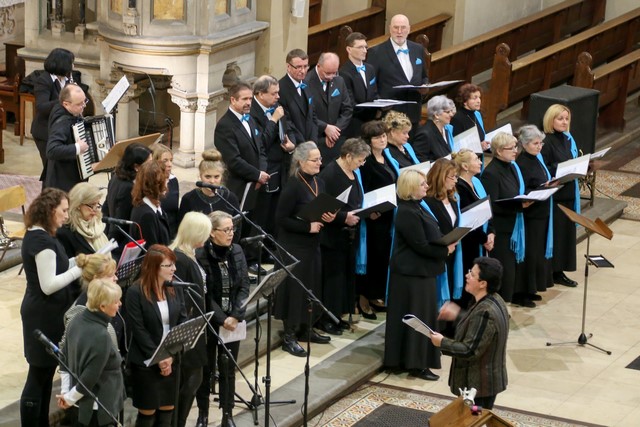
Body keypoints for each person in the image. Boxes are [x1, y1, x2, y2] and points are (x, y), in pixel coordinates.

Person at [383, 170, 455, 381]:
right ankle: (415, 363)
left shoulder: (417, 207)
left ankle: (413, 360)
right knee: (418, 318)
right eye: (422, 184)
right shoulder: (406, 212)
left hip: (419, 273)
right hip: (411, 275)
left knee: (421, 316)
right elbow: (420, 245)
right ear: (411, 187)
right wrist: (445, 250)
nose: (427, 186)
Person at [20, 188, 83, 427]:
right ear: (50, 210)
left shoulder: (44, 236)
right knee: (38, 375)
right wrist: (79, 270)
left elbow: (59, 267)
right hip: (42, 315)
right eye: (63, 211)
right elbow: (48, 285)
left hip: (49, 312)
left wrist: (79, 261)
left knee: (46, 374)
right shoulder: (42, 241)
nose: (67, 216)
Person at [274, 142, 335, 356]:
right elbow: (280, 219)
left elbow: (320, 208)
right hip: (293, 246)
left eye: (320, 159)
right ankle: (289, 335)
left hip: (312, 245)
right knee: (295, 290)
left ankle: (306, 328)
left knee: (311, 287)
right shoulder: (293, 185)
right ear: (300, 162)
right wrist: (307, 227)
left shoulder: (320, 182)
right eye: (314, 159)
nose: (319, 163)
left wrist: (329, 216)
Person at [431, 257, 509, 410]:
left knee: (473, 419)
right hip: (484, 382)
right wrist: (458, 315)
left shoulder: (485, 311)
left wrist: (442, 342)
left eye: (472, 274)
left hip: (479, 386)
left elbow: (470, 350)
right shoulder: (495, 300)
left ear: (483, 283)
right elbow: (481, 330)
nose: (467, 276)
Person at [195, 211, 251, 427]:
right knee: (206, 368)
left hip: (233, 321)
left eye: (232, 229)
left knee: (228, 369)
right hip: (210, 320)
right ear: (212, 232)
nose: (231, 233)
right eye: (226, 230)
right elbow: (205, 294)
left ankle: (227, 414)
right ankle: (203, 414)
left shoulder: (237, 250)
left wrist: (235, 315)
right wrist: (221, 318)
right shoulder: (201, 255)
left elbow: (244, 285)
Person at [125, 244, 187, 427]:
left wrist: (170, 355)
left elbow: (182, 319)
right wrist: (159, 358)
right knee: (148, 415)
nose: (174, 269)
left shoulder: (174, 287)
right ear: (153, 267)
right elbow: (138, 330)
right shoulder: (135, 292)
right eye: (168, 265)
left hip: (171, 358)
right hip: (147, 362)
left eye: (173, 264)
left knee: (167, 412)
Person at [215, 81, 269, 274]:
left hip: (256, 182)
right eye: (244, 99)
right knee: (238, 226)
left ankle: (251, 258)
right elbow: (233, 160)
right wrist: (257, 174)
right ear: (233, 100)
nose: (248, 102)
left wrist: (261, 172)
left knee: (253, 223)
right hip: (238, 186)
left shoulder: (250, 119)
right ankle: (236, 263)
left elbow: (261, 149)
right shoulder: (224, 126)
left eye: (250, 98)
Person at [317, 138, 370, 334]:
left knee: (343, 278)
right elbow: (322, 208)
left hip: (347, 236)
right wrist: (343, 217)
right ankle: (326, 318)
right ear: (348, 156)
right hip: (332, 237)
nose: (362, 164)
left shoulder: (352, 172)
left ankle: (337, 315)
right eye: (360, 160)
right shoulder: (330, 174)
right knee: (332, 281)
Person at [56, 279, 125, 427]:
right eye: (116, 301)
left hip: (80, 403)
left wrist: (66, 392)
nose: (120, 304)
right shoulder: (101, 335)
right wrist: (69, 398)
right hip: (100, 408)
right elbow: (90, 376)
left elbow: (64, 358)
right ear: (102, 306)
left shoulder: (76, 319)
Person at [169, 212, 214, 427]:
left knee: (194, 380)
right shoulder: (180, 259)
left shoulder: (190, 255)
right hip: (189, 330)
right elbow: (181, 298)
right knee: (190, 381)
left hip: (197, 327)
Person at [480, 132, 531, 307]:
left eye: (516, 147)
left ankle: (507, 302)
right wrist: (519, 206)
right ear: (500, 151)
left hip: (514, 224)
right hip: (501, 229)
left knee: (511, 269)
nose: (516, 151)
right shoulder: (491, 173)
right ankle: (498, 307)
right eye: (511, 148)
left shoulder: (512, 167)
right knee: (503, 270)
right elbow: (492, 206)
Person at [250, 75, 296, 241]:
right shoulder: (252, 112)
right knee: (263, 213)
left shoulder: (277, 106)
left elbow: (289, 128)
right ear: (261, 94)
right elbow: (261, 143)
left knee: (276, 211)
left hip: (281, 167)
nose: (278, 96)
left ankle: (272, 244)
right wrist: (273, 120)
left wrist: (292, 144)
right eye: (274, 93)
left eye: (278, 92)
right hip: (265, 169)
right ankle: (257, 248)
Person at [356, 120, 395, 317]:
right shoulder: (367, 162)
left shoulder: (387, 156)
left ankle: (375, 295)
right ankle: (363, 297)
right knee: (373, 256)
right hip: (373, 217)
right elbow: (362, 189)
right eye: (378, 137)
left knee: (382, 258)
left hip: (388, 215)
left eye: (384, 136)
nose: (383, 139)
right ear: (368, 140)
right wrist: (369, 210)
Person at [368, 14, 429, 133]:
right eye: (396, 27)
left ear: (409, 29)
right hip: (390, 116)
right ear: (390, 28)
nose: (399, 32)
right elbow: (371, 85)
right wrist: (380, 106)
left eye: (403, 27)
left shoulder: (418, 49)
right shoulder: (376, 52)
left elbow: (424, 76)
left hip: (414, 114)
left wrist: (425, 87)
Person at [541, 104, 579, 288]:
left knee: (566, 235)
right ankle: (553, 271)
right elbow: (544, 167)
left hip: (569, 191)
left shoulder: (567, 139)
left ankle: (560, 270)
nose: (564, 122)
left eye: (566, 119)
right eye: (560, 118)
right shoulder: (545, 141)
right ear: (551, 120)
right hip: (556, 195)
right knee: (556, 235)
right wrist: (562, 168)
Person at [452, 149, 495, 304]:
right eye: (476, 159)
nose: (480, 162)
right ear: (465, 166)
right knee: (470, 275)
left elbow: (487, 209)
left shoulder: (476, 182)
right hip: (469, 242)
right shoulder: (459, 187)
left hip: (481, 237)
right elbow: (467, 220)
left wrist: (491, 232)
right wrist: (484, 239)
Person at [516, 125, 554, 300]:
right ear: (524, 145)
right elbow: (522, 189)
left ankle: (532, 288)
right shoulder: (522, 163)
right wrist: (541, 188)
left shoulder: (536, 159)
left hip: (541, 211)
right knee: (530, 253)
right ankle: (523, 291)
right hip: (530, 214)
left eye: (540, 143)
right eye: (535, 144)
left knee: (537, 252)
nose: (539, 147)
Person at [31, 48, 76, 184]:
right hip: (44, 132)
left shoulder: (66, 79)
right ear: (62, 64)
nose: (73, 66)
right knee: (50, 169)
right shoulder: (43, 80)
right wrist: (65, 100)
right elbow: (41, 106)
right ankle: (48, 193)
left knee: (59, 169)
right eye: (71, 63)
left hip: (59, 129)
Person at [425, 159, 465, 305]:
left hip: (452, 251)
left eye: (456, 176)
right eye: (452, 177)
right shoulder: (428, 201)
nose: (456, 180)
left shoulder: (453, 199)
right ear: (441, 177)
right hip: (437, 253)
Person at [103, 142, 153, 258]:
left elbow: (106, 208)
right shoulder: (129, 188)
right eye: (149, 163)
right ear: (136, 167)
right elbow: (122, 219)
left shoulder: (116, 176)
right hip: (122, 245)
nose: (152, 167)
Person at [305, 52, 353, 163]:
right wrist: (325, 128)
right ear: (318, 66)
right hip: (316, 140)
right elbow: (306, 113)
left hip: (338, 140)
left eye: (334, 72)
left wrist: (334, 131)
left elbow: (347, 109)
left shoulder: (339, 81)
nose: (331, 77)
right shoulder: (306, 82)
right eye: (327, 73)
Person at [44, 84, 90, 192]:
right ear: (66, 104)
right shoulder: (62, 122)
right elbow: (51, 150)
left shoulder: (69, 112)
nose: (84, 106)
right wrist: (77, 148)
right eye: (79, 104)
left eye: (84, 101)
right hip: (62, 182)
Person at [178, 149, 240, 223]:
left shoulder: (230, 198)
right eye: (208, 177)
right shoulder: (188, 199)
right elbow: (182, 226)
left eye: (216, 177)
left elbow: (237, 225)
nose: (212, 181)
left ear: (222, 176)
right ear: (200, 176)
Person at [340, 32, 379, 138]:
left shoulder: (370, 69)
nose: (365, 51)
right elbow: (350, 103)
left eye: (365, 47)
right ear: (349, 49)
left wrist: (381, 106)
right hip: (355, 123)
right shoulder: (344, 72)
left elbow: (374, 93)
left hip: (371, 121)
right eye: (360, 47)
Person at [57, 182, 110, 257]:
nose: (95, 210)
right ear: (78, 205)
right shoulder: (65, 233)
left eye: (97, 204)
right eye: (91, 205)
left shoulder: (97, 225)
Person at [278, 49, 319, 145]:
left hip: (311, 143)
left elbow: (313, 115)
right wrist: (303, 144)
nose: (303, 71)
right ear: (288, 66)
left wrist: (313, 142)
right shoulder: (280, 88)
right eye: (298, 67)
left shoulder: (307, 84)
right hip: (296, 144)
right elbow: (287, 122)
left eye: (305, 66)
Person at [130, 160, 171, 249]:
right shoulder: (147, 215)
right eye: (165, 179)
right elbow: (153, 250)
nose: (167, 183)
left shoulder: (155, 207)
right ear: (156, 184)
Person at [412, 95, 456, 162]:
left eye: (451, 111)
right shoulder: (424, 134)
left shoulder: (446, 129)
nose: (451, 114)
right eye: (447, 112)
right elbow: (420, 160)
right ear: (437, 115)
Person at [450, 83, 491, 151]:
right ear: (465, 101)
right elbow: (457, 146)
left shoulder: (477, 114)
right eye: (474, 98)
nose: (479, 101)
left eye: (479, 97)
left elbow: (482, 137)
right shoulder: (457, 119)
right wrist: (478, 146)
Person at [153, 144, 180, 238]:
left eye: (171, 160)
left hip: (172, 233)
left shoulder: (173, 180)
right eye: (165, 161)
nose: (170, 164)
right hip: (156, 233)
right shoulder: (149, 184)